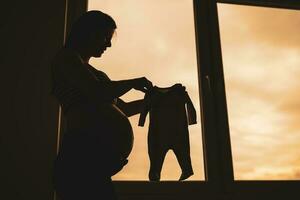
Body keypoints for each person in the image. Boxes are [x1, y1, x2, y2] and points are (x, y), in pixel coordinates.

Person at [51, 10, 152, 200]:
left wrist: (153, 101)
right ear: (88, 32)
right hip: (79, 161)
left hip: (94, 165)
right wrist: (132, 83)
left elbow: (125, 109)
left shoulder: (96, 74)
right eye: (105, 36)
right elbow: (97, 91)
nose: (109, 43)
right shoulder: (66, 59)